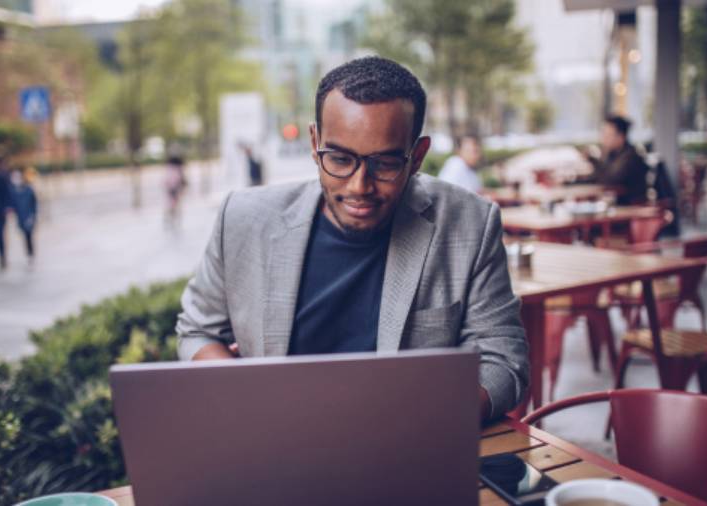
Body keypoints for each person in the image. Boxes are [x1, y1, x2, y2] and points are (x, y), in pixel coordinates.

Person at [176, 56, 529, 420]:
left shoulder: (470, 223)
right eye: (340, 159)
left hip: (405, 444)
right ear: (315, 143)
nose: (360, 186)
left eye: (385, 163)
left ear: (417, 156)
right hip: (273, 440)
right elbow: (197, 332)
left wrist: (427, 417)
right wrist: (248, 392)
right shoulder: (243, 219)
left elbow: (504, 360)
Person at [581, 115, 650, 205]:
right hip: (617, 205)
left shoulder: (630, 156)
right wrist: (570, 182)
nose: (603, 138)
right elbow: (598, 177)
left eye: (607, 135)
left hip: (632, 209)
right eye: (602, 133)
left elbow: (610, 180)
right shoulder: (613, 154)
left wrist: (593, 160)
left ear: (621, 137)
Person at [11, 166, 38, 264]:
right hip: (21, 219)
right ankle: (29, 253)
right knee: (25, 236)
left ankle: (30, 254)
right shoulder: (14, 191)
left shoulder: (29, 190)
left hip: (29, 217)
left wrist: (33, 216)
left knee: (29, 236)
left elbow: (34, 204)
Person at [164, 154, 187, 227]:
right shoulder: (178, 169)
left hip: (171, 188)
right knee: (175, 204)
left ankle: (170, 216)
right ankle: (172, 216)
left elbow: (166, 180)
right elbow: (181, 179)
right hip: (175, 188)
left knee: (171, 203)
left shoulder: (169, 169)